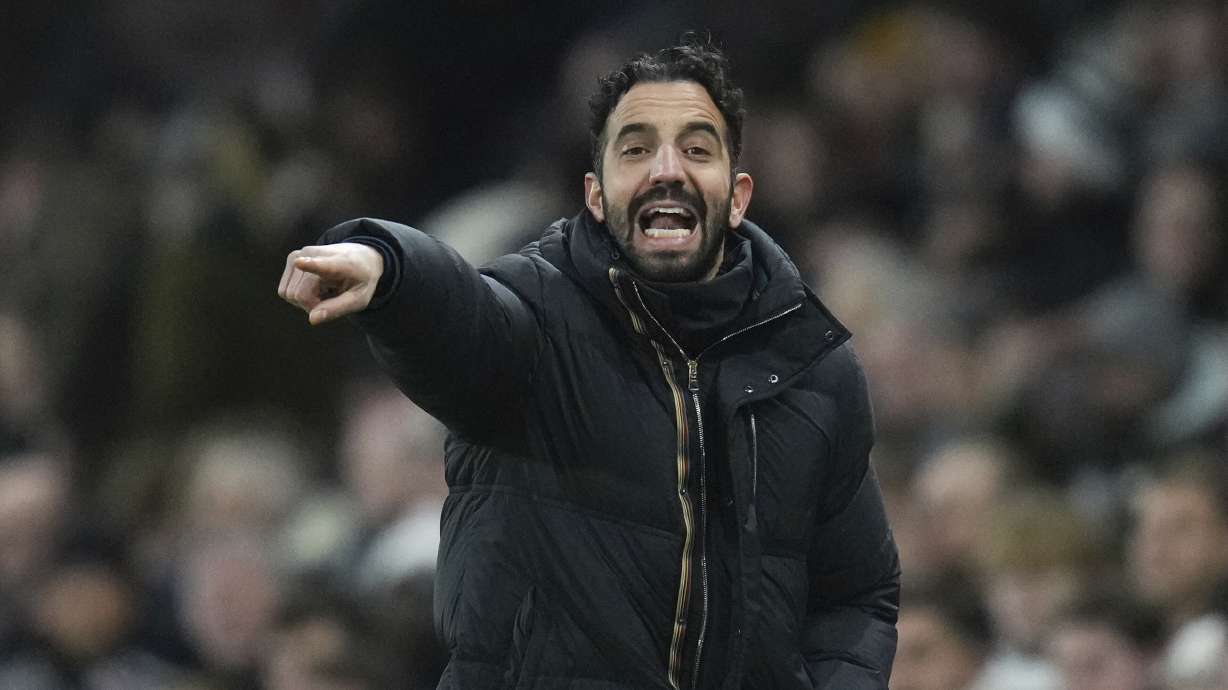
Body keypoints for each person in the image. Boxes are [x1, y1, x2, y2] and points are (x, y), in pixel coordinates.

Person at [278, 37, 899, 689]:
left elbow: (855, 595)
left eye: (696, 149)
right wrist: (391, 268)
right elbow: (462, 322)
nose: (667, 172)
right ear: (597, 196)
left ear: (737, 194)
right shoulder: (541, 320)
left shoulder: (812, 366)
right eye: (636, 150)